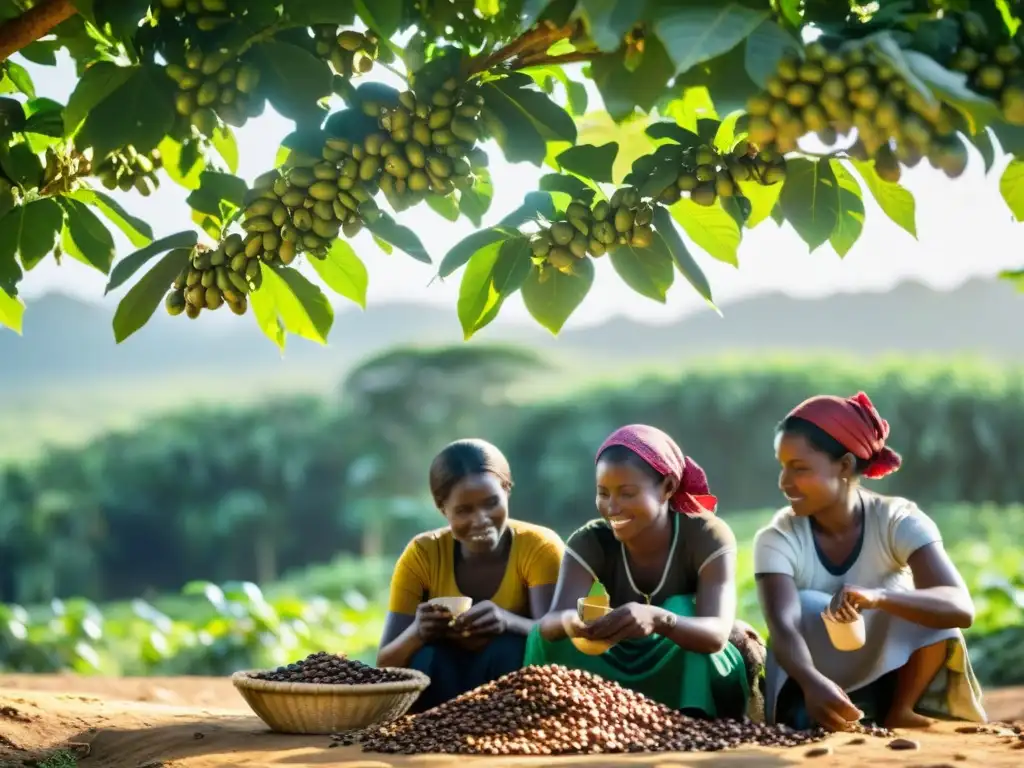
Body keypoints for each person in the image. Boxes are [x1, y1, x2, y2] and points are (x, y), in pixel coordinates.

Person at [754, 392, 986, 732]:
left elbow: (959, 608)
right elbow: (783, 626)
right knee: (808, 604)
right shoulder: (778, 538)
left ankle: (901, 709)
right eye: (783, 466)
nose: (784, 482)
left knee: (929, 605)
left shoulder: (897, 520)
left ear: (845, 466)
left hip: (886, 671)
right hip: (808, 680)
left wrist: (877, 597)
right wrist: (811, 682)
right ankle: (816, 709)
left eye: (799, 468)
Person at [524, 424, 752, 719]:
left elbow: (716, 634)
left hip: (681, 661)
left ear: (667, 487)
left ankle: (692, 722)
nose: (612, 507)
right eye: (603, 493)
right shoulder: (591, 540)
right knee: (542, 637)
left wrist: (659, 620)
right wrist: (571, 622)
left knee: (680, 606)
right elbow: (549, 623)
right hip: (615, 660)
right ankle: (562, 718)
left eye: (627, 493)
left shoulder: (706, 535)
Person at [377, 438, 564, 711]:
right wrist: (418, 631)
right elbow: (385, 665)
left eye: (491, 503)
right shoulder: (422, 554)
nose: (481, 519)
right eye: (464, 510)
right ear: (443, 509)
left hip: (514, 703)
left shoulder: (539, 547)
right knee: (428, 655)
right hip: (440, 702)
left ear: (507, 490)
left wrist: (508, 621)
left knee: (510, 647)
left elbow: (557, 645)